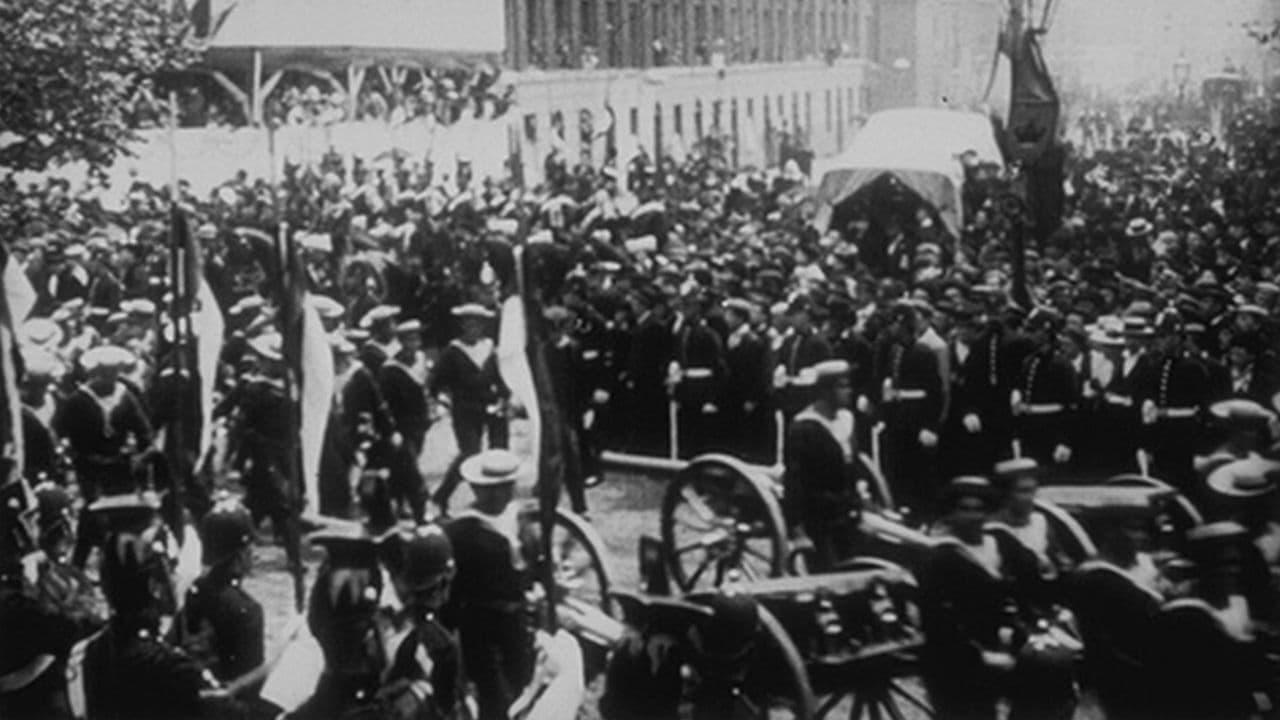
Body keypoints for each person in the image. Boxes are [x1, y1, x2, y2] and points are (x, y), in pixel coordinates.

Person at [70, 493, 235, 720]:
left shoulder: (94, 652)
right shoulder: (172, 667)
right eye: (165, 570)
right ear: (152, 586)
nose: (171, 577)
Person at [443, 450, 535, 720]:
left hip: (516, 619)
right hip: (480, 624)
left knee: (522, 682)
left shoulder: (519, 519)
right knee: (493, 694)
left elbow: (532, 560)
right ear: (476, 489)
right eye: (491, 490)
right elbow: (453, 585)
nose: (500, 495)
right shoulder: (462, 531)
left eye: (506, 488)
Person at [58, 345, 152, 568]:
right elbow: (61, 431)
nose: (110, 377)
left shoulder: (125, 396)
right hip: (89, 464)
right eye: (105, 372)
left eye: (114, 372)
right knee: (93, 512)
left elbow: (143, 429)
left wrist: (143, 452)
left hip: (120, 464)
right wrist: (72, 455)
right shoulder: (78, 400)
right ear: (95, 372)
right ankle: (80, 562)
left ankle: (125, 560)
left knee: (124, 512)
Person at [174, 495, 264, 691]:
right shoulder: (246, 610)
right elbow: (250, 686)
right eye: (249, 546)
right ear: (239, 553)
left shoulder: (194, 591)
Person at [430, 304, 510, 512]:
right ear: (463, 326)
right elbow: (436, 382)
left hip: (491, 406)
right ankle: (442, 495)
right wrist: (442, 400)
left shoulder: (490, 349)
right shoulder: (453, 351)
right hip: (465, 408)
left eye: (477, 323)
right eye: (469, 323)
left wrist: (503, 397)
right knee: (470, 453)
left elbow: (503, 377)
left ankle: (494, 499)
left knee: (498, 451)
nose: (473, 328)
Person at [783, 360, 860, 572]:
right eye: (842, 387)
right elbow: (794, 481)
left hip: (848, 511)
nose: (849, 392)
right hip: (819, 517)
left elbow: (855, 466)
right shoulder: (804, 428)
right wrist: (798, 531)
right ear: (825, 391)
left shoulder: (846, 419)